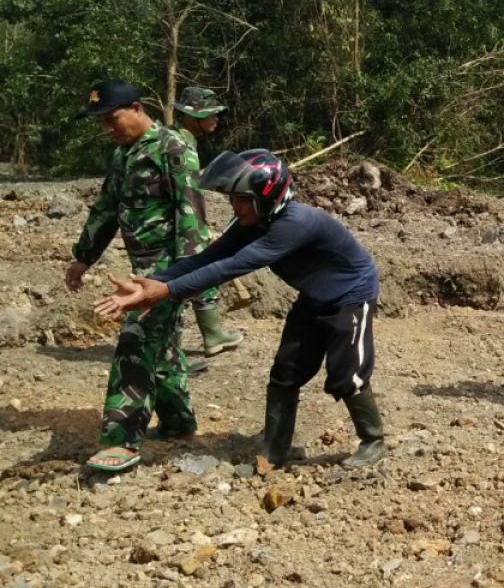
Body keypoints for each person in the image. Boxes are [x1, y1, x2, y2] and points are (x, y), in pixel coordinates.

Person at [94, 149, 387, 468]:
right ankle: (276, 450)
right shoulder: (252, 222)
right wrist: (152, 282)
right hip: (314, 297)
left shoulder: (294, 224)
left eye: (243, 199)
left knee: (348, 375)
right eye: (233, 198)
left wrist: (165, 291)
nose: (235, 206)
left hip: (350, 295)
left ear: (268, 197)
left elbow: (232, 267)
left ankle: (373, 441)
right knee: (285, 374)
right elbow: (209, 258)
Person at [65, 79, 202, 471]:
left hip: (167, 270)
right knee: (164, 349)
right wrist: (83, 257)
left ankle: (120, 439)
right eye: (101, 123)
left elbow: (191, 218)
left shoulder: (174, 148)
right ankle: (178, 422)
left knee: (135, 342)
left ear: (138, 108)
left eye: (112, 119)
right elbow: (107, 208)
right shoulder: (124, 154)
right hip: (141, 266)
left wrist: (187, 281)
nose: (107, 129)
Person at [172, 86, 243, 373]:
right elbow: (186, 198)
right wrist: (196, 236)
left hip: (178, 225)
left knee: (195, 277)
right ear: (191, 115)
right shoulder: (179, 146)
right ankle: (169, 360)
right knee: (174, 286)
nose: (216, 118)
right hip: (176, 228)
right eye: (209, 113)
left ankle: (212, 336)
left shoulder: (183, 140)